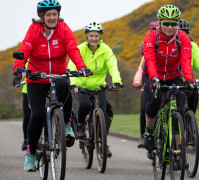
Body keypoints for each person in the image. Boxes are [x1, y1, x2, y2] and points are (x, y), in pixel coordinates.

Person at [13, 0, 90, 172]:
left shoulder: (64, 29)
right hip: (36, 77)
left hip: (57, 75)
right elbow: (25, 49)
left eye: (54, 14)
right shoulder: (34, 30)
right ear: (42, 16)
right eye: (48, 15)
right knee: (38, 115)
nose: (52, 17)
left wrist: (81, 67)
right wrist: (19, 68)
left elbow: (73, 49)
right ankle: (31, 153)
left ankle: (67, 124)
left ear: (58, 15)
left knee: (66, 85)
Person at [142, 4, 194, 151]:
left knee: (180, 104)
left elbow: (185, 60)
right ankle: (149, 131)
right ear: (160, 23)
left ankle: (178, 150)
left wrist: (189, 79)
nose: (170, 27)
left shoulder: (182, 38)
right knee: (155, 99)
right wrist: (154, 78)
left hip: (173, 75)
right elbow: (150, 60)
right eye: (166, 23)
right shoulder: (151, 37)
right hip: (152, 75)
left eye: (173, 24)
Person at [68, 21, 122, 158]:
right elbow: (72, 66)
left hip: (99, 86)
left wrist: (116, 80)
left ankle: (103, 143)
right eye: (91, 35)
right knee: (85, 105)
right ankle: (80, 125)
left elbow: (113, 66)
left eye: (96, 36)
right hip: (81, 86)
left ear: (100, 36)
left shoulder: (106, 50)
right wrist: (73, 84)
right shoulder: (79, 49)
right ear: (87, 36)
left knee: (104, 114)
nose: (93, 38)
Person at [133, 21, 159, 148]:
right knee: (145, 106)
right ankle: (144, 135)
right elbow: (141, 69)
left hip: (163, 82)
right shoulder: (148, 45)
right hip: (148, 82)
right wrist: (137, 81)